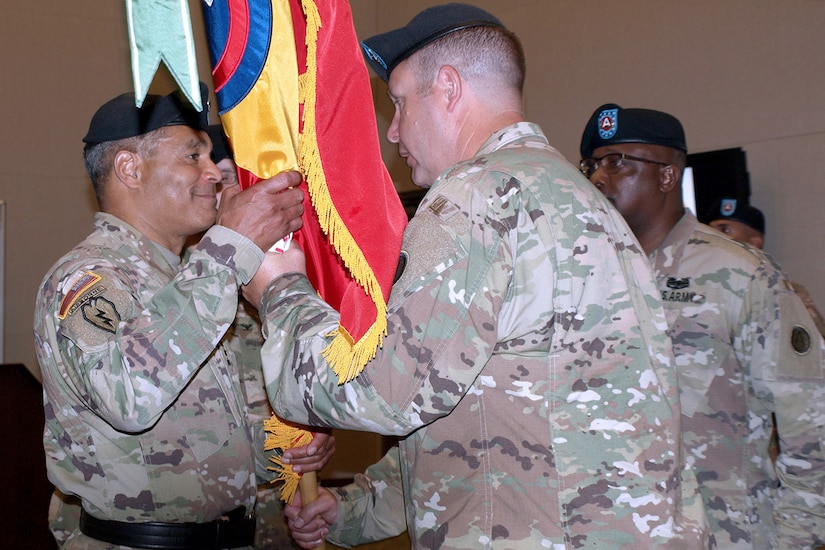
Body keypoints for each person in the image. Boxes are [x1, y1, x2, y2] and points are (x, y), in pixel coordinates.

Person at [245, 4, 709, 548]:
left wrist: (279, 293)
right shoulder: (580, 199)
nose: (392, 130)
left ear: (447, 87)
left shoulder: (477, 197)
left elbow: (389, 390)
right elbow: (492, 407)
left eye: (398, 103)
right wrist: (355, 510)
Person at [34, 85, 333, 549]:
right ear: (130, 169)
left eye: (211, 157)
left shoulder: (191, 280)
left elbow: (198, 443)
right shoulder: (87, 280)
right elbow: (130, 397)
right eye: (193, 156)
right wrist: (229, 247)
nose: (214, 173)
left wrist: (281, 450)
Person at [579, 103, 825, 548]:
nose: (598, 177)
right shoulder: (592, 276)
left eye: (617, 162)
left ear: (668, 176)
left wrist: (797, 539)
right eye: (593, 164)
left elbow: (810, 424)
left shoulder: (740, 274)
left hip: (728, 532)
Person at [208, 124, 321, 549]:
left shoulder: (288, 272)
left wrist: (321, 431)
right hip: (203, 517)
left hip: (281, 513)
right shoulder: (181, 280)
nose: (228, 193)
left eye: (238, 179)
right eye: (218, 181)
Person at [706, 197, 825, 337]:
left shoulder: (784, 293)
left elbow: (815, 349)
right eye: (709, 230)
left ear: (754, 243)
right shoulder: (697, 285)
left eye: (725, 230)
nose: (712, 237)